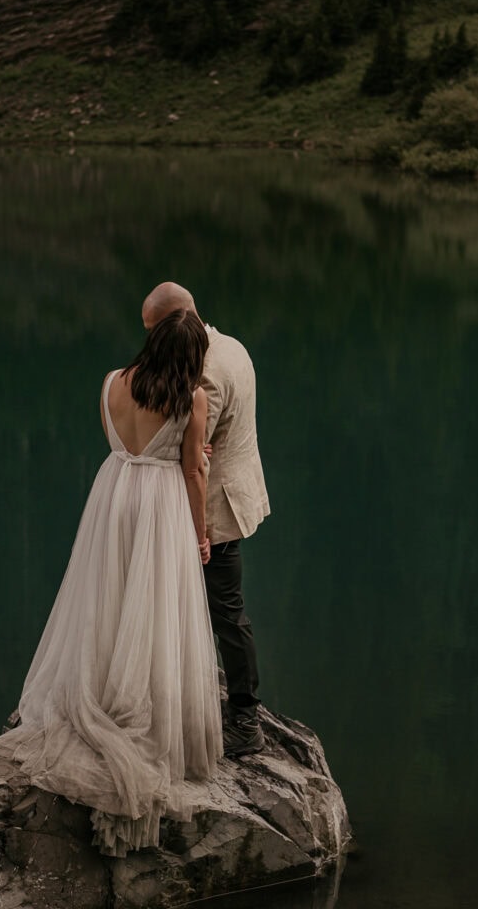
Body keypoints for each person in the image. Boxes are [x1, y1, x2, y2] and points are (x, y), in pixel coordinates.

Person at [0, 309, 222, 856]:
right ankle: (142, 711)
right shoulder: (192, 400)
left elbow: (124, 443)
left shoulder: (112, 382)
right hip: (160, 504)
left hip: (113, 493)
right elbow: (191, 470)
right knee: (155, 610)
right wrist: (202, 533)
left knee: (107, 600)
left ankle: (97, 689)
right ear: (190, 358)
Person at [142, 283, 270, 757]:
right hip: (235, 491)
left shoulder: (205, 374)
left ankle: (244, 718)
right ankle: (199, 702)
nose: (152, 343)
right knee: (217, 610)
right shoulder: (230, 344)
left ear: (179, 321)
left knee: (225, 614)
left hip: (211, 509)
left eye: (154, 332)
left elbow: (192, 459)